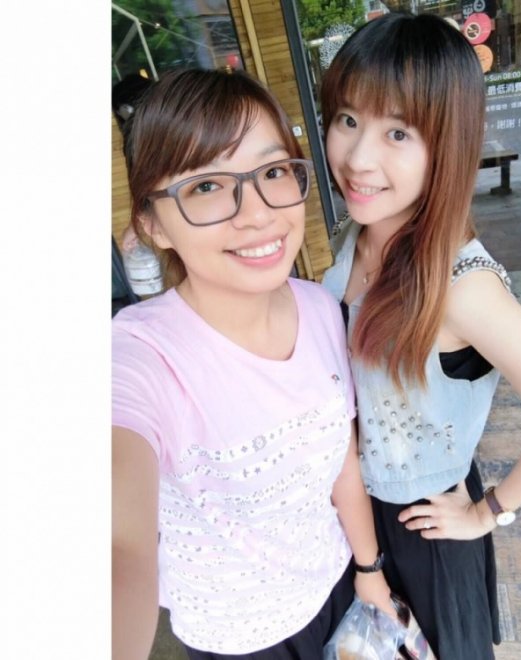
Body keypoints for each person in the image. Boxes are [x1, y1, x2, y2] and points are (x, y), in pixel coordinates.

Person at [112, 68, 394, 660]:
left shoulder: (320, 308)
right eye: (206, 186)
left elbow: (342, 461)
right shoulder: (140, 355)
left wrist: (370, 570)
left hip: (336, 591)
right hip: (237, 638)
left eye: (271, 172)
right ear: (152, 224)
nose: (258, 213)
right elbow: (117, 545)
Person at [320, 13, 521, 660]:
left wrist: (488, 512)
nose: (358, 159)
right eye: (348, 119)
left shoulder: (462, 285)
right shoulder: (354, 233)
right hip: (353, 514)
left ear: (447, 144)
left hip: (425, 528)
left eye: (398, 132)